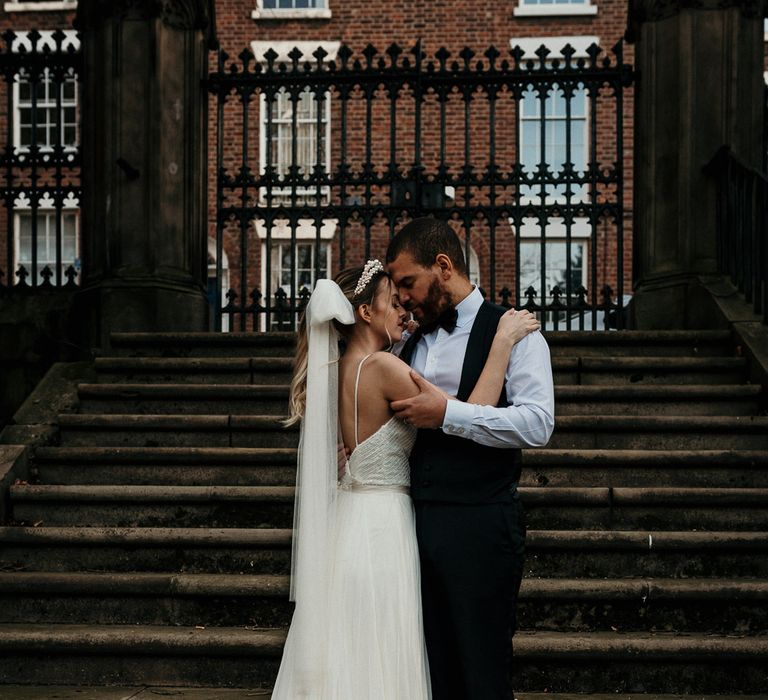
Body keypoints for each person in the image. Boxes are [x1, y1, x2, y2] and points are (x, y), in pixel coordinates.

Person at [271, 259, 541, 699]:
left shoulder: (336, 370)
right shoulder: (383, 368)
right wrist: (503, 341)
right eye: (394, 303)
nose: (406, 312)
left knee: (351, 644)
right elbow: (473, 410)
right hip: (383, 524)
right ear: (365, 313)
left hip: (349, 518)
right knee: (385, 642)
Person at [386, 217, 555, 700]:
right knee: (431, 671)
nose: (401, 297)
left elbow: (538, 423)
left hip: (481, 523)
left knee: (482, 672)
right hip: (412, 523)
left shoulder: (515, 332)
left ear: (442, 266)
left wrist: (449, 414)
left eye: (407, 283)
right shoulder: (406, 341)